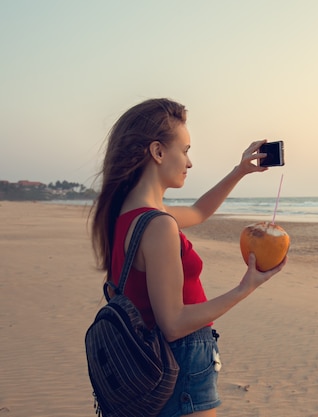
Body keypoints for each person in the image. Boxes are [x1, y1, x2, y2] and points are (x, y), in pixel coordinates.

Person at [90, 98, 286, 417]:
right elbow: (173, 323)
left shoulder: (129, 214)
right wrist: (245, 288)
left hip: (150, 364)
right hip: (180, 363)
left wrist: (240, 171)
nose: (189, 162)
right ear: (157, 152)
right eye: (185, 150)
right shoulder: (157, 225)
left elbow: (199, 211)